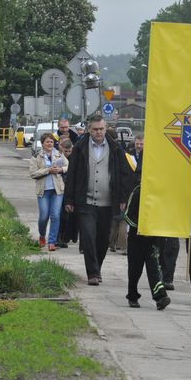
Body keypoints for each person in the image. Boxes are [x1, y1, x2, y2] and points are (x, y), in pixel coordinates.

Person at [64, 115, 133, 285]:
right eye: (95, 129)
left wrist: (123, 198)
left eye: (101, 129)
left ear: (105, 128)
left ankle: (97, 267)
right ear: (89, 130)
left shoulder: (115, 148)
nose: (98, 132)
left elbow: (125, 174)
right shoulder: (80, 147)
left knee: (103, 240)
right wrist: (69, 199)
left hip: (108, 203)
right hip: (85, 202)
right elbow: (71, 174)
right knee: (87, 236)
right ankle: (92, 273)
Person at [123, 136, 170, 310]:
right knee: (134, 269)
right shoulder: (137, 191)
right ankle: (132, 295)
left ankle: (160, 297)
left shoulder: (160, 193)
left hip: (153, 237)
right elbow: (127, 215)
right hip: (136, 236)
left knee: (154, 267)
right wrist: (140, 227)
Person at [131, 133, 180, 289]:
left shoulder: (180, 152)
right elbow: (139, 176)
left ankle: (168, 276)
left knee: (171, 241)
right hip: (155, 201)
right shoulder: (149, 152)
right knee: (157, 242)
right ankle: (159, 273)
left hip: (173, 201)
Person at [29, 133, 68, 252]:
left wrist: (60, 169)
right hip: (43, 191)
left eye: (51, 142)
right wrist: (48, 171)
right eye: (47, 142)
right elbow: (33, 173)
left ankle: (52, 241)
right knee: (44, 216)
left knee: (55, 215)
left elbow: (67, 166)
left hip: (57, 190)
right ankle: (42, 235)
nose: (50, 144)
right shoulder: (37, 156)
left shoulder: (59, 154)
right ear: (42, 143)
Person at [57, 138, 76, 248]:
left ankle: (64, 238)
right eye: (66, 151)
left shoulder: (74, 159)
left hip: (70, 190)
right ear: (61, 149)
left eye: (69, 151)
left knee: (67, 216)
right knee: (60, 215)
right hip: (60, 189)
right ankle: (58, 237)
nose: (68, 153)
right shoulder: (59, 159)